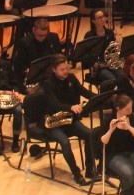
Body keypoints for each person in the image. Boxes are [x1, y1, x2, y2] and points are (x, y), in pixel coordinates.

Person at [36, 55, 100, 185]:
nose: (65, 71)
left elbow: (84, 92)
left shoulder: (71, 78)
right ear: (54, 70)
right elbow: (54, 104)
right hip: (53, 123)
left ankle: (90, 170)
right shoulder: (48, 84)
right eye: (62, 69)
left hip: (68, 120)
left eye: (66, 68)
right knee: (65, 142)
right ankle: (76, 173)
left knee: (90, 134)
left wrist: (100, 98)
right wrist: (70, 107)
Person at [12, 16, 63, 80]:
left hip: (51, 74)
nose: (42, 38)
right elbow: (18, 65)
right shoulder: (25, 42)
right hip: (32, 76)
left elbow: (60, 56)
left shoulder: (53, 37)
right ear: (34, 30)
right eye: (39, 35)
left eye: (44, 35)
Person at [83, 10, 120, 87]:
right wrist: (94, 63)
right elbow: (85, 55)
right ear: (93, 21)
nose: (103, 19)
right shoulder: (89, 36)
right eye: (100, 17)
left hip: (110, 64)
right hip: (98, 68)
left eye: (103, 16)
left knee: (122, 76)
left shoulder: (110, 33)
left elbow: (113, 51)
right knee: (112, 80)